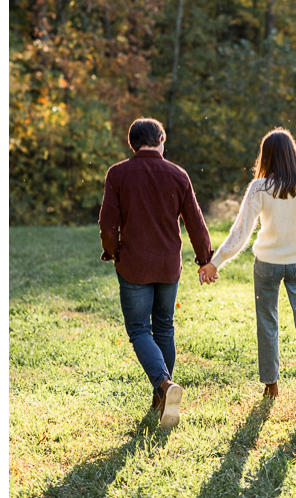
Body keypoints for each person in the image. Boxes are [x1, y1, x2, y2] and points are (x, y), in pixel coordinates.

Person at [199, 127, 296, 416]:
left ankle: (271, 386)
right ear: (293, 153)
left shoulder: (259, 188)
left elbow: (240, 233)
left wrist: (215, 262)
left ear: (266, 156)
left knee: (267, 323)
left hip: (267, 265)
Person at [98, 117, 214, 428]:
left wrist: (113, 252)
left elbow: (107, 225)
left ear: (132, 144)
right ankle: (161, 399)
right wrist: (205, 259)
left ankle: (163, 385)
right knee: (164, 328)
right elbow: (195, 222)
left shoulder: (118, 174)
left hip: (133, 264)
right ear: (160, 140)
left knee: (139, 330)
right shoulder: (178, 174)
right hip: (167, 265)